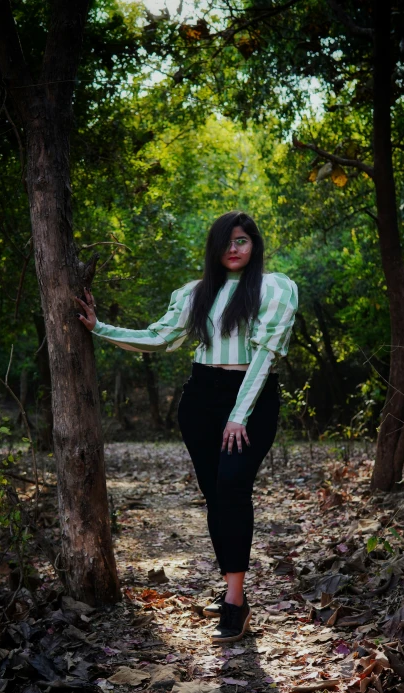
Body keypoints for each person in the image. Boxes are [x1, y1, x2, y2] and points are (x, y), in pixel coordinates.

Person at [75, 211, 298, 644]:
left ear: (255, 246)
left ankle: (235, 602)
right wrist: (99, 327)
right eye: (225, 242)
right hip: (200, 398)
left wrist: (239, 414)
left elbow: (265, 356)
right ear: (214, 249)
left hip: (250, 398)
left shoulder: (275, 288)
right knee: (216, 494)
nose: (233, 249)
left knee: (233, 488)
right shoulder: (196, 293)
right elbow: (162, 338)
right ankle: (233, 588)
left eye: (242, 241)